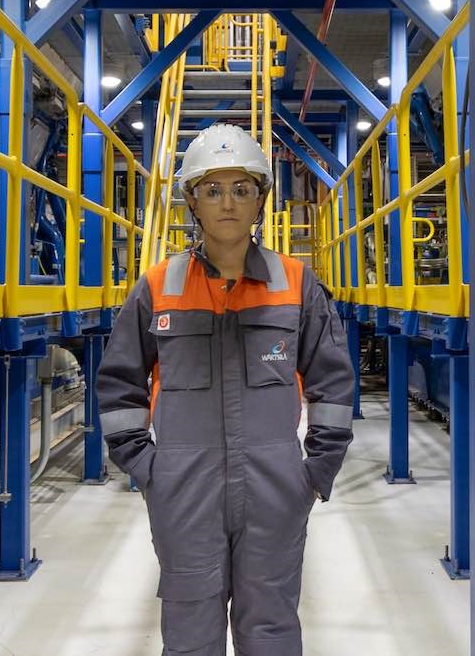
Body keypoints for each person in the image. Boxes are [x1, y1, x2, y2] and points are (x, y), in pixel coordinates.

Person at [94, 123, 356, 656]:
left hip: (275, 490)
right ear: (192, 200)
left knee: (272, 628)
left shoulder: (296, 284)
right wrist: (150, 472)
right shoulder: (157, 287)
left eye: (242, 189)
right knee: (190, 632)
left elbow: (332, 385)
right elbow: (119, 387)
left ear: (261, 198)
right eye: (213, 190)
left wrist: (312, 474)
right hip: (183, 490)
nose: (228, 204)